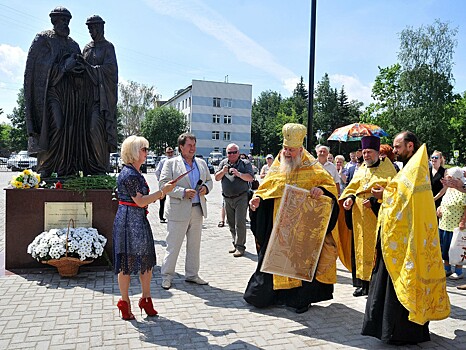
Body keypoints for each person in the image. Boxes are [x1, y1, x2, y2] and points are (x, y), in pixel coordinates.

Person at [361, 131, 450, 345]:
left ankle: (401, 333)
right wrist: (383, 196)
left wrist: (383, 195)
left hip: (406, 241)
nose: (395, 151)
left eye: (398, 146)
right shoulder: (408, 168)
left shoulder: (417, 168)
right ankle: (391, 330)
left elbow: (405, 199)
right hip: (398, 238)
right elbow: (402, 196)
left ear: (410, 146)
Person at [244, 123, 339, 313]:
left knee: (300, 267)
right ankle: (272, 296)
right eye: (285, 149)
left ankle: (299, 300)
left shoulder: (313, 167)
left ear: (301, 149)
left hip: (302, 231)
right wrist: (257, 201)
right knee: (267, 276)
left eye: (291, 150)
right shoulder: (277, 166)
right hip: (278, 228)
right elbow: (265, 189)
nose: (287, 153)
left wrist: (320, 190)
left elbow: (330, 189)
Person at [113, 135, 175, 320]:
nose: (147, 153)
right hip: (129, 221)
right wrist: (162, 192)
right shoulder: (130, 173)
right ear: (133, 152)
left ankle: (145, 300)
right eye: (144, 149)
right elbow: (139, 201)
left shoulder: (134, 171)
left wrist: (161, 193)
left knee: (145, 262)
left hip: (136, 219)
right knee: (126, 263)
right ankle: (126, 303)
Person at [24, 7, 86, 177]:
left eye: (67, 20)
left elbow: (82, 70)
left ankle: (66, 169)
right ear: (54, 21)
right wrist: (64, 67)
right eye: (62, 20)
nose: (65, 23)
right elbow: (39, 71)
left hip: (71, 95)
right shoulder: (43, 39)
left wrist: (77, 68)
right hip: (50, 93)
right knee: (56, 126)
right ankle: (45, 166)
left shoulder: (73, 44)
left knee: (70, 129)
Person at [338, 136, 396, 297]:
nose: (366, 155)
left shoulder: (388, 169)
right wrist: (349, 199)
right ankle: (362, 284)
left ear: (377, 152)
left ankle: (374, 286)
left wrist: (374, 200)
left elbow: (393, 192)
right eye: (364, 152)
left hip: (375, 216)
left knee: (374, 250)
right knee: (359, 248)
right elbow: (353, 187)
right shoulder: (362, 168)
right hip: (358, 216)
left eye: (369, 152)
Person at [159, 133, 213, 290]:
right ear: (181, 147)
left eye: (194, 145)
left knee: (194, 246)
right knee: (173, 246)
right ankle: (167, 276)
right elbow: (163, 185)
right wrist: (182, 192)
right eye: (189, 145)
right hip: (178, 211)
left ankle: (192, 275)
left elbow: (210, 181)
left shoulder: (201, 163)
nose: (193, 148)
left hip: (197, 210)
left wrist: (206, 188)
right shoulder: (171, 164)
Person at [81, 15, 118, 174]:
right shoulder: (87, 48)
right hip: (85, 98)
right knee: (83, 131)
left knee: (94, 128)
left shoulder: (108, 47)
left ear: (101, 28)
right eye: (89, 29)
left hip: (100, 99)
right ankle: (87, 167)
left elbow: (111, 70)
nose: (91, 32)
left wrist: (90, 69)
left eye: (94, 28)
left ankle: (99, 167)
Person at [215, 144, 254, 257]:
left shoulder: (245, 163)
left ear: (238, 152)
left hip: (241, 197)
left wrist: (239, 174)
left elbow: (250, 177)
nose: (231, 155)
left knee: (240, 223)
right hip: (227, 198)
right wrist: (223, 171)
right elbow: (217, 178)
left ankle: (240, 247)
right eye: (229, 152)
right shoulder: (223, 163)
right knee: (231, 223)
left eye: (234, 152)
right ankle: (235, 243)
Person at [437, 167, 465, 280]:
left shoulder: (462, 190)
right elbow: (444, 202)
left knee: (457, 248)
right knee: (445, 248)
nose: (447, 180)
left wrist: (463, 221)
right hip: (444, 224)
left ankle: (458, 271)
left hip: (456, 226)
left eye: (449, 178)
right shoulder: (449, 189)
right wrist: (439, 208)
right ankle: (447, 268)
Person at [155, 147, 175, 223]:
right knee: (162, 201)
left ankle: (172, 216)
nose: (170, 154)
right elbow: (157, 171)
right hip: (164, 184)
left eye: (171, 152)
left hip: (173, 184)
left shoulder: (176, 161)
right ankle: (161, 217)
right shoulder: (163, 161)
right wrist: (161, 180)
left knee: (173, 200)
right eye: (168, 152)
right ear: (166, 153)